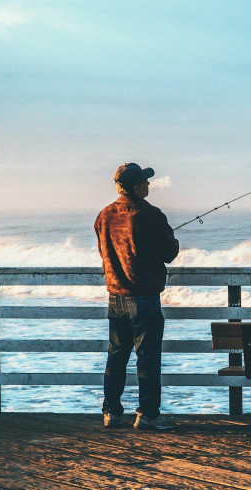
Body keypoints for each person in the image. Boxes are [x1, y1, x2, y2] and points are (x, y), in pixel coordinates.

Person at [94, 163, 180, 430]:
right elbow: (169, 252)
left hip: (115, 297)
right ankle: (148, 415)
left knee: (116, 356)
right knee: (148, 358)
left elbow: (105, 251)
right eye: (145, 181)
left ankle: (111, 412)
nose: (149, 185)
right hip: (143, 298)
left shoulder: (104, 215)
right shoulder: (149, 214)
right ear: (136, 187)